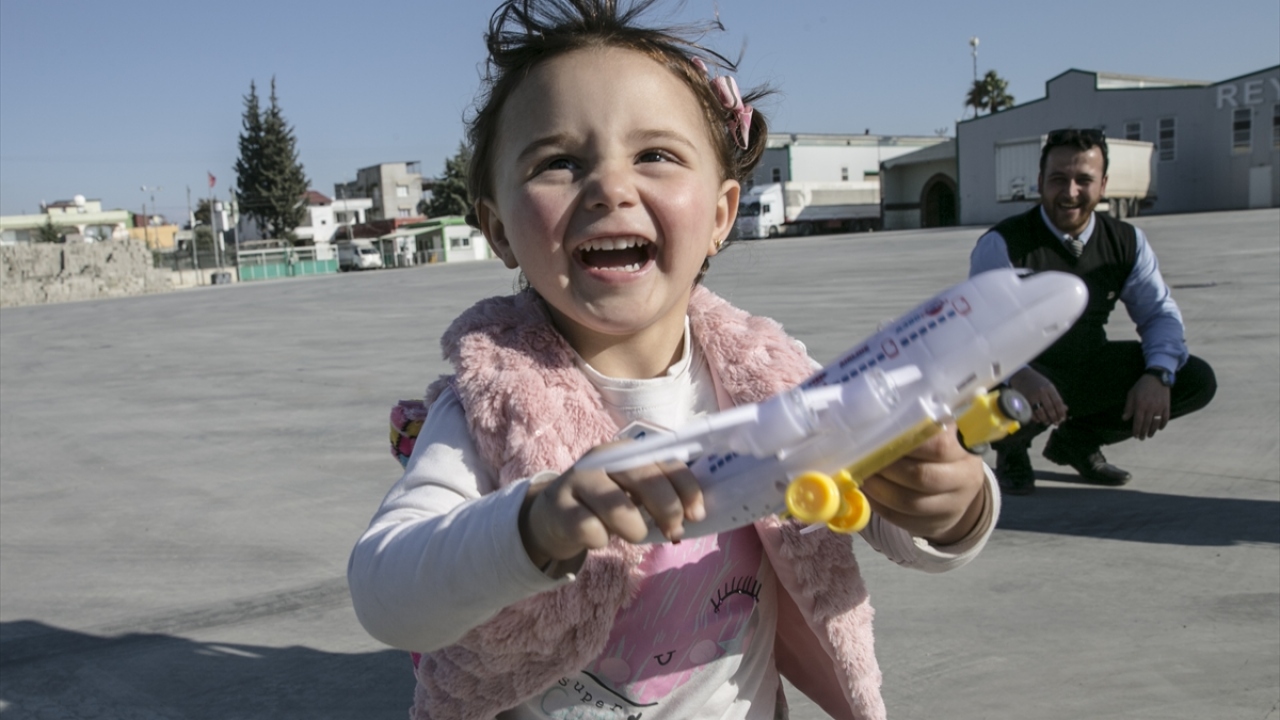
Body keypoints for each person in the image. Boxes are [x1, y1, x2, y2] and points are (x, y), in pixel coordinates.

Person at [349, 2, 1000, 718]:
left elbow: (890, 519)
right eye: (558, 162)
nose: (610, 187)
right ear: (499, 229)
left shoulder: (768, 378)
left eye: (655, 154)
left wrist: (953, 503)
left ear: (722, 214)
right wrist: (533, 524)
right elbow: (388, 592)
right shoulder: (486, 406)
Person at [969, 127, 1216, 496]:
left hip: (1087, 362)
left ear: (1103, 184)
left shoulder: (1127, 242)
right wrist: (1019, 374)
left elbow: (1158, 313)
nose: (1070, 192)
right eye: (1058, 179)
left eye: (1084, 180)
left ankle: (1077, 441)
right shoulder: (1002, 243)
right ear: (1040, 182)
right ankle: (1011, 448)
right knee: (986, 389)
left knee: (1194, 379)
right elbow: (977, 334)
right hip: (1025, 374)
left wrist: (1158, 374)